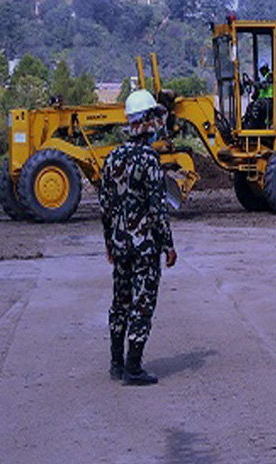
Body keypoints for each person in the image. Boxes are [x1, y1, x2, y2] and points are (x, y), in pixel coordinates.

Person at [99, 89, 177, 386]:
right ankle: (134, 368)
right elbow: (158, 208)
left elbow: (105, 207)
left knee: (119, 303)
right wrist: (168, 245)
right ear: (147, 122)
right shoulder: (150, 159)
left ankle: (116, 364)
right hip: (144, 247)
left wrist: (109, 243)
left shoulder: (112, 158)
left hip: (119, 245)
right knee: (142, 304)